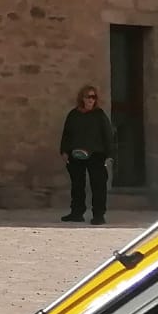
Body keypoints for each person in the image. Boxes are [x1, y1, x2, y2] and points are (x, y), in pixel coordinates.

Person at [59, 84, 116, 226]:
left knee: (98, 186)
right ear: (82, 98)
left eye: (93, 97)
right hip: (76, 155)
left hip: (96, 155)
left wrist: (109, 155)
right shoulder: (74, 115)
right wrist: (64, 151)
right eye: (88, 97)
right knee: (77, 185)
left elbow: (107, 135)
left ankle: (98, 215)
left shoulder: (99, 115)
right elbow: (67, 134)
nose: (91, 100)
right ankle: (76, 213)